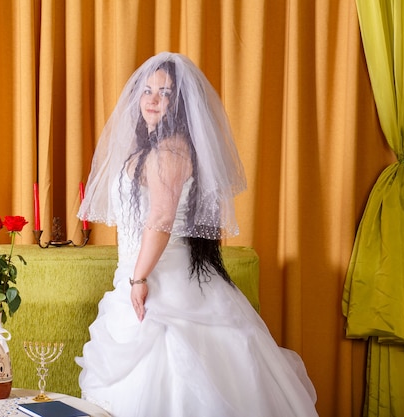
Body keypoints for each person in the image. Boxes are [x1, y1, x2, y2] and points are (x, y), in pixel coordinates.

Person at [76, 52, 318, 416]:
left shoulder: (169, 151)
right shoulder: (155, 149)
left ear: (181, 104)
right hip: (143, 272)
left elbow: (160, 218)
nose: (153, 100)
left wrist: (139, 278)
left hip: (162, 281)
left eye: (165, 93)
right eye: (147, 90)